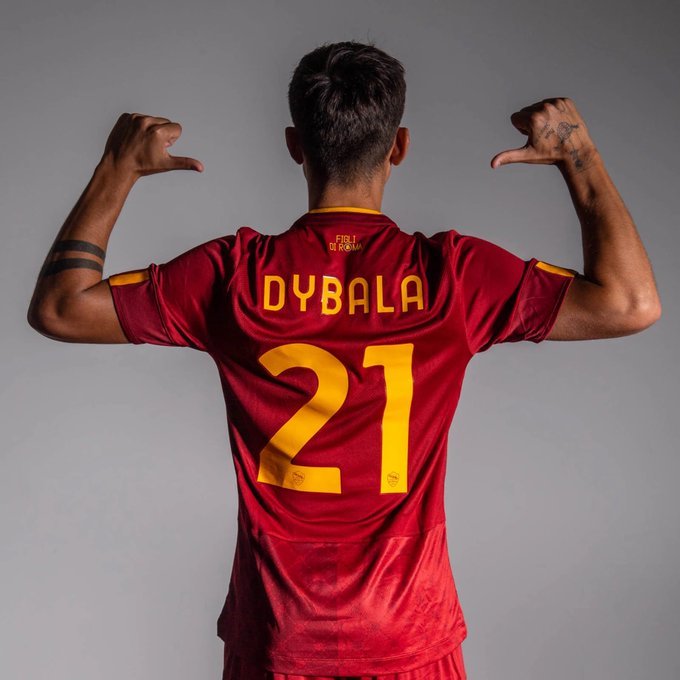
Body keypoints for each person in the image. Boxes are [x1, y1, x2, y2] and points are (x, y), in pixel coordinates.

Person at [27, 40, 661, 680]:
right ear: (399, 146)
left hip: (278, 627)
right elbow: (629, 303)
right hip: (408, 626)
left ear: (295, 145)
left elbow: (60, 309)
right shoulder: (452, 276)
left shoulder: (234, 275)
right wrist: (578, 155)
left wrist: (117, 168)